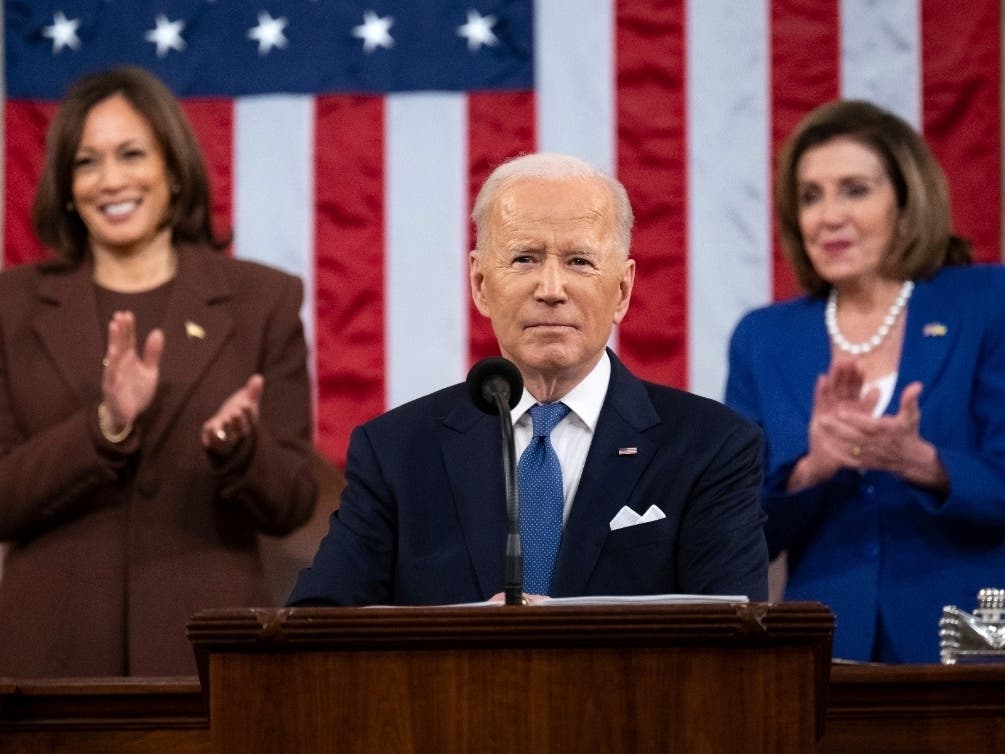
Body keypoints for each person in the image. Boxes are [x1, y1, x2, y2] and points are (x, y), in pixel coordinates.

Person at [289, 152, 768, 607]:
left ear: (622, 290)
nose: (551, 290)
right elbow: (320, 620)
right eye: (525, 259)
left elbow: (735, 641)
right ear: (480, 284)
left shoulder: (711, 447)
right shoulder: (396, 452)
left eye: (579, 261)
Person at [0, 66, 318, 677]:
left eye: (131, 154)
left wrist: (240, 451)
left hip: (207, 661)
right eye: (86, 162)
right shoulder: (12, 308)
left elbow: (294, 502)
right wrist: (104, 427)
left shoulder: (261, 301)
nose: (111, 180)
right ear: (66, 187)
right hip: (47, 665)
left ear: (173, 170)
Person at [725, 99, 1005, 663]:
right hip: (826, 653)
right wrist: (811, 469)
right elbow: (736, 530)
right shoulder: (764, 338)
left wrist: (921, 461)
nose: (829, 215)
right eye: (811, 195)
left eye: (855, 189)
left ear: (905, 201)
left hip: (974, 641)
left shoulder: (987, 304)